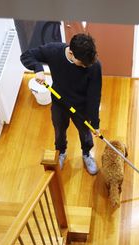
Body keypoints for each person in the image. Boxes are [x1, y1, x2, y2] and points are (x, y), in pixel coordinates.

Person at [20, 33, 102, 175]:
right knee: (59, 130)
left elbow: (94, 96)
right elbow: (26, 56)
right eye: (82, 64)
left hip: (81, 107)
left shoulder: (93, 65)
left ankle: (87, 154)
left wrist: (95, 123)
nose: (85, 66)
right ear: (71, 53)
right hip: (60, 102)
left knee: (85, 132)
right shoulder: (53, 50)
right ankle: (61, 152)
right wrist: (38, 68)